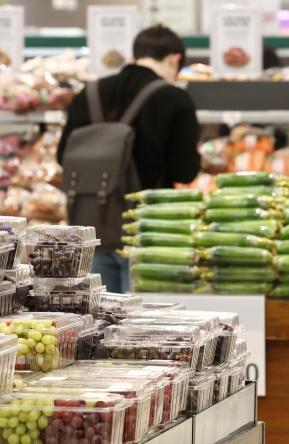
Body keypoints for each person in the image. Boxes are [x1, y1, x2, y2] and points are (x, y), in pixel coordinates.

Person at [57, 25, 201, 293]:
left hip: (92, 229)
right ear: (175, 59)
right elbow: (185, 171)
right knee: (141, 326)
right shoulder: (175, 99)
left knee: (98, 321)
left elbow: (62, 157)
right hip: (149, 230)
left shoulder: (87, 95)